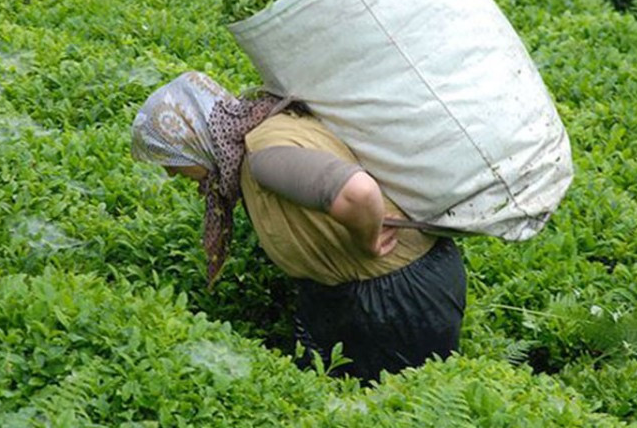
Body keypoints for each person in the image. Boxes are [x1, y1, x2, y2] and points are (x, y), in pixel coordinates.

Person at [131, 71, 466, 382]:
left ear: (191, 138)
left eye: (170, 160)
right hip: (356, 293)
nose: (171, 173)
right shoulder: (255, 136)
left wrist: (368, 240)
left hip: (396, 299)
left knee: (387, 404)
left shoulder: (263, 155)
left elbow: (358, 192)